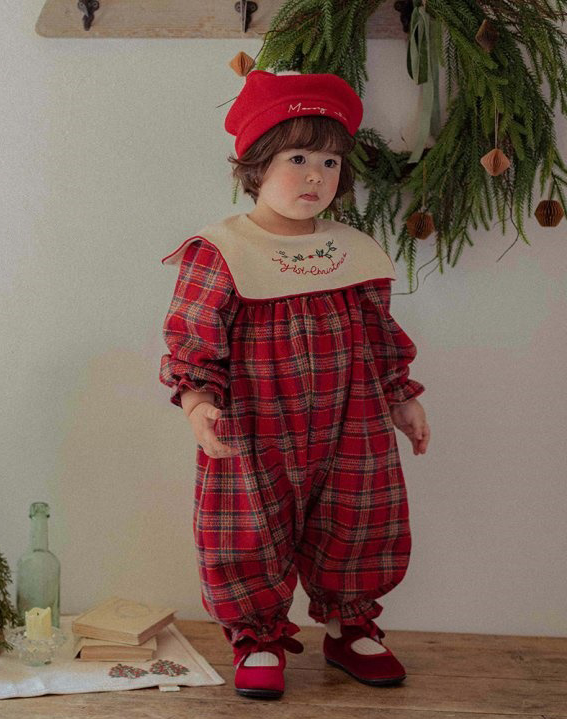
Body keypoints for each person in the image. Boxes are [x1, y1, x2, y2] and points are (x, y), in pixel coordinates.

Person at [159, 70, 431, 700]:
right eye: (298, 158)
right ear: (256, 166)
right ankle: (256, 635)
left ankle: (349, 626)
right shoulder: (222, 249)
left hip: (352, 418)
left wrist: (402, 396)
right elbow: (194, 334)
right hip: (255, 424)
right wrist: (198, 401)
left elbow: (379, 333)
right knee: (248, 524)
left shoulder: (351, 251)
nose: (316, 177)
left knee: (358, 515)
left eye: (330, 162)